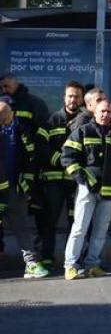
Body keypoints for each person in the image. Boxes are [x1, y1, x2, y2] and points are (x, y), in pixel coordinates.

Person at [60, 99, 111, 280]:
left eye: (109, 112)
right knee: (79, 228)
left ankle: (92, 264)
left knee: (100, 231)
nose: (106, 115)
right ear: (95, 112)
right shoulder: (83, 131)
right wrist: (83, 179)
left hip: (109, 190)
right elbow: (67, 158)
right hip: (87, 189)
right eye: (102, 111)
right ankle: (70, 266)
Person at [34, 81, 85, 271]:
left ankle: (72, 259)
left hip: (76, 181)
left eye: (77, 96)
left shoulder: (86, 121)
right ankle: (46, 257)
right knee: (49, 220)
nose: (73, 99)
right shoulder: (51, 120)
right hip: (54, 181)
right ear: (64, 97)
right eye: (70, 96)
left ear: (82, 99)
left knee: (76, 223)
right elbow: (41, 147)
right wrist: (61, 161)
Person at [0, 100, 50, 278]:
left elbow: (30, 158)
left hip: (15, 188)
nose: (2, 120)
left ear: (11, 114)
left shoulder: (21, 130)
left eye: (4, 116)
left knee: (22, 227)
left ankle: (31, 264)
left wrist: (27, 185)